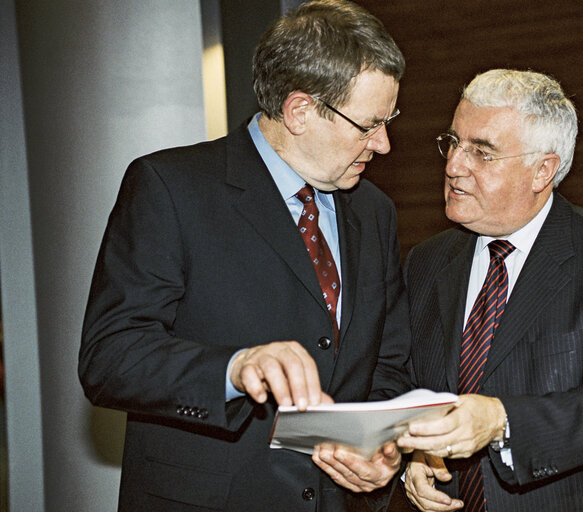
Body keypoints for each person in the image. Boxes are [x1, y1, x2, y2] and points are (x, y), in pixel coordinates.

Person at [78, 1, 412, 510]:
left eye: (387, 121)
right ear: (300, 111)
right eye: (368, 125)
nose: (383, 144)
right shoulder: (171, 187)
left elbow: (387, 361)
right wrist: (234, 369)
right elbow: (111, 356)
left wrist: (379, 446)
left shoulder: (374, 211)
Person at [395, 69, 583, 511]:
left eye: (481, 152)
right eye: (452, 143)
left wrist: (501, 420)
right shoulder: (426, 261)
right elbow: (408, 382)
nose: (453, 166)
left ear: (542, 170)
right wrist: (412, 452)